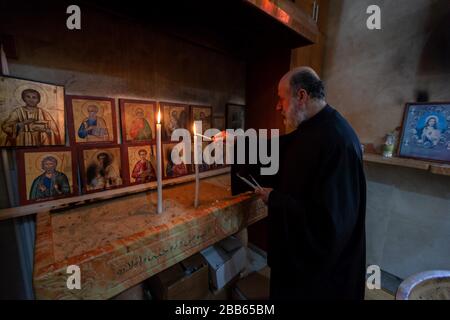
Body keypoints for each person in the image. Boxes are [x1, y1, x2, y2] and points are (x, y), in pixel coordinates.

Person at [251, 67, 366, 300]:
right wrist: (237, 142)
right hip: (299, 264)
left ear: (301, 96)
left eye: (281, 98)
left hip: (318, 277)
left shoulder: (337, 141)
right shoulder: (315, 128)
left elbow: (328, 224)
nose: (277, 106)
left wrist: (275, 199)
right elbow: (282, 146)